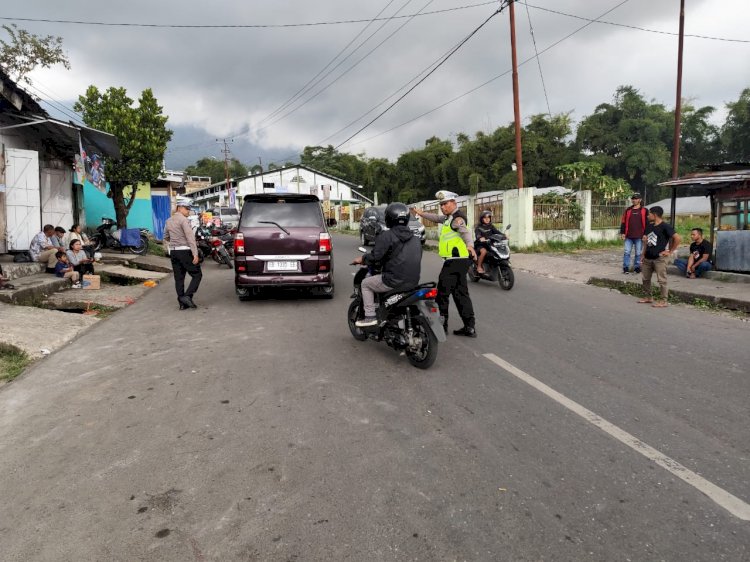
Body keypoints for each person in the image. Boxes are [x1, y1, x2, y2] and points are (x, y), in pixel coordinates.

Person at [412, 190, 478, 337]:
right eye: (441, 205)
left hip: (454, 262)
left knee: (442, 294)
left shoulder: (457, 218)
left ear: (454, 203)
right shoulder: (449, 218)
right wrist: (422, 214)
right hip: (459, 262)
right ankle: (469, 327)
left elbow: (464, 231)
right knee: (461, 294)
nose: (443, 207)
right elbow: (436, 218)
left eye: (445, 204)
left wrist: (470, 245)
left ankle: (442, 326)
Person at [352, 202, 421, 327]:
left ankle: (370, 317)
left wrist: (362, 259)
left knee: (366, 284)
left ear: (388, 219)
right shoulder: (416, 238)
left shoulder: (387, 236)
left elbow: (375, 256)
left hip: (393, 281)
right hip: (413, 282)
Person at [638, 206, 681, 308]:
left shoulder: (665, 226)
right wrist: (643, 254)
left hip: (659, 258)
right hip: (648, 257)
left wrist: (670, 252)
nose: (648, 216)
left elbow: (677, 238)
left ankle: (663, 300)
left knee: (662, 280)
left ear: (655, 214)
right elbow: (646, 241)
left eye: (649, 214)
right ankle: (648, 297)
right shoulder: (649, 226)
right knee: (645, 278)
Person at [164, 198, 202, 310]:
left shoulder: (168, 220)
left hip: (174, 252)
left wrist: (174, 239)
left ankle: (181, 303)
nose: (188, 211)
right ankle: (187, 296)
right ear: (180, 208)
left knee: (179, 278)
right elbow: (190, 238)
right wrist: (195, 254)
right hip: (185, 251)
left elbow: (166, 236)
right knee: (197, 274)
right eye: (187, 209)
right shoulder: (184, 220)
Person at [620, 192, 648, 274]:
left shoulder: (644, 210)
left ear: (640, 200)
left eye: (636, 198)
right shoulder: (628, 210)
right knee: (626, 252)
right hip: (628, 236)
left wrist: (645, 234)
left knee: (638, 253)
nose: (634, 200)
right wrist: (622, 233)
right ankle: (625, 268)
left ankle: (637, 268)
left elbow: (647, 223)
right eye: (633, 199)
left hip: (639, 236)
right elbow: (623, 222)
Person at [474, 210, 502, 274]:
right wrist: (480, 238)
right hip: (480, 244)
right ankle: (479, 266)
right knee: (484, 252)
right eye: (485, 218)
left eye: (488, 218)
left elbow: (497, 232)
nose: (487, 219)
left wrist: (503, 235)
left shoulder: (491, 226)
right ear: (482, 219)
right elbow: (477, 234)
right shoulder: (478, 227)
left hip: (489, 244)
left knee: (496, 251)